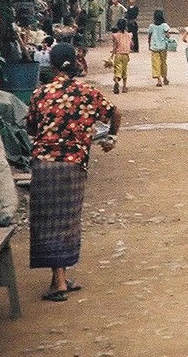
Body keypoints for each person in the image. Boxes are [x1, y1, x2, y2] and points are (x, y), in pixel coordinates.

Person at [25, 44, 119, 301]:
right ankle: (60, 279)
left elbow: (32, 129)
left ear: (52, 66)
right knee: (68, 221)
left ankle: (59, 280)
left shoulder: (40, 94)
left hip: (44, 165)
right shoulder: (88, 92)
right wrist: (110, 137)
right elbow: (114, 114)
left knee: (46, 221)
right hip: (73, 165)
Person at [147, 8, 175, 86]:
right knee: (163, 63)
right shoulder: (164, 25)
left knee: (156, 63)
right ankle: (165, 78)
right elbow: (168, 35)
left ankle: (159, 80)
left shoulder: (151, 26)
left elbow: (149, 36)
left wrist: (149, 45)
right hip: (163, 47)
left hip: (154, 47)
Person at [108, 18, 133, 94]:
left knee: (117, 69)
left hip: (118, 54)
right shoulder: (129, 35)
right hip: (126, 54)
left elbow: (115, 46)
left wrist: (112, 55)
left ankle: (116, 81)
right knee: (124, 70)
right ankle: (124, 87)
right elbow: (132, 45)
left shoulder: (115, 35)